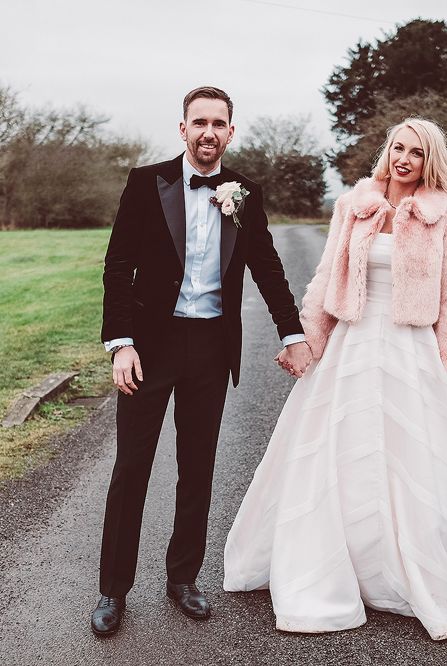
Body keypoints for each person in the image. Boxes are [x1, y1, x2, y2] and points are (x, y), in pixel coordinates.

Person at [224, 118, 447, 640]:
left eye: (416, 153)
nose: (404, 159)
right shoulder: (355, 206)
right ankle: (338, 560)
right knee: (338, 451)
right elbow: (328, 275)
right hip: (352, 344)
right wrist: (307, 338)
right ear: (387, 152)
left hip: (411, 348)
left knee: (406, 456)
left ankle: (402, 566)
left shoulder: (446, 216)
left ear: (429, 162)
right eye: (398, 148)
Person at [92, 86, 312, 637]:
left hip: (211, 348)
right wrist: (121, 343)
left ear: (231, 132)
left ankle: (183, 578)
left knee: (198, 469)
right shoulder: (147, 183)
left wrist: (291, 332)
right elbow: (117, 265)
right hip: (150, 347)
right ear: (183, 129)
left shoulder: (245, 193)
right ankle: (112, 590)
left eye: (219, 123)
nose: (209, 132)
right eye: (199, 123)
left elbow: (265, 265)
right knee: (132, 469)